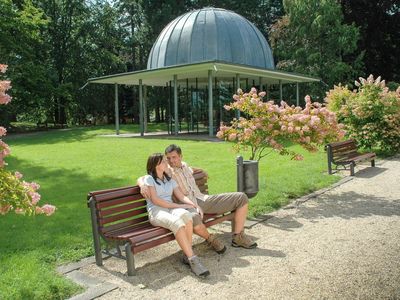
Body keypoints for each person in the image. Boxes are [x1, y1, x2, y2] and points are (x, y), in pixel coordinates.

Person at [139, 144, 257, 252]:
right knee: (193, 220)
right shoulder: (167, 171)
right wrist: (142, 184)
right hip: (187, 205)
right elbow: (147, 175)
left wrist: (201, 170)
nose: (171, 161)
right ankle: (211, 239)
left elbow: (189, 168)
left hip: (202, 199)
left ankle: (238, 237)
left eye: (174, 157)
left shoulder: (184, 165)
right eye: (168, 158)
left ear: (180, 156)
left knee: (241, 197)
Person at [143, 153, 210, 277]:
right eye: (163, 161)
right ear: (156, 165)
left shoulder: (169, 179)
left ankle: (186, 255)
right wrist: (179, 206)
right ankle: (193, 260)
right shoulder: (149, 179)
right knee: (177, 223)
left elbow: (181, 196)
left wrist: (193, 205)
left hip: (170, 209)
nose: (166, 163)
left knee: (187, 216)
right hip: (157, 211)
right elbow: (156, 201)